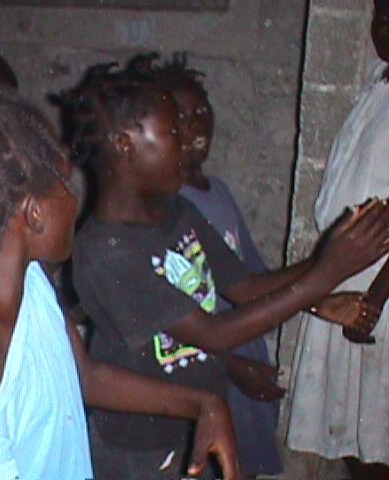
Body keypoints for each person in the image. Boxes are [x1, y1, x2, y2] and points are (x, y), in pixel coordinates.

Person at [63, 62, 389, 479]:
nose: (187, 145)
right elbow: (214, 333)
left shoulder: (176, 212)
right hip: (140, 451)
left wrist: (330, 260)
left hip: (193, 424)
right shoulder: (107, 252)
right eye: (172, 135)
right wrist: (326, 272)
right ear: (125, 144)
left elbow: (246, 286)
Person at [0, 86, 240, 479]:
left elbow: (85, 376)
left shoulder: (30, 278)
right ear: (35, 215)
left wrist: (204, 404)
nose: (75, 199)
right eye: (64, 184)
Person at [143, 52, 283, 478]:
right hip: (206, 360)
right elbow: (167, 322)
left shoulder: (217, 191)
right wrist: (235, 367)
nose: (198, 122)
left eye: (203, 110)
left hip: (241, 346)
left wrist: (319, 299)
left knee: (243, 460)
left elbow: (251, 276)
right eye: (183, 117)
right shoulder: (167, 208)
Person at [287, 2, 389, 478]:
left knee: (375, 437)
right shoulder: (377, 86)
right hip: (347, 276)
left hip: (377, 290)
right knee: (351, 431)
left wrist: (374, 299)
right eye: (379, 17)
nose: (382, 29)